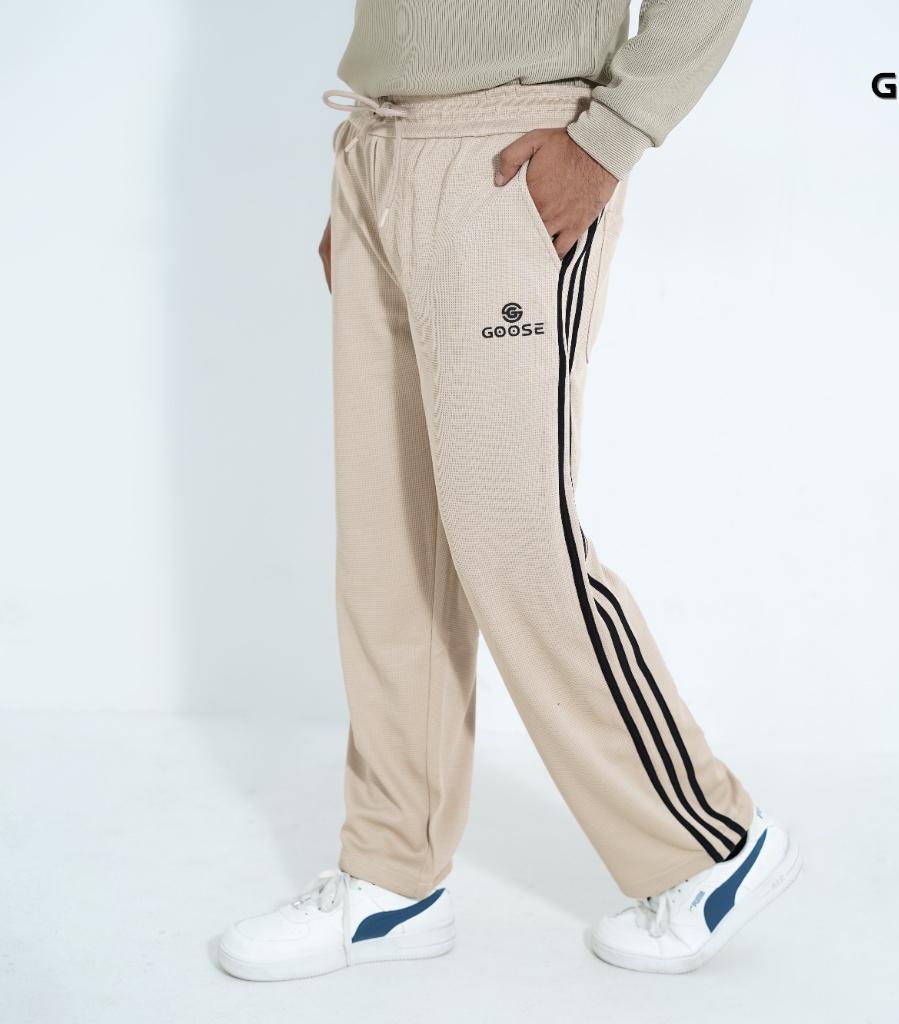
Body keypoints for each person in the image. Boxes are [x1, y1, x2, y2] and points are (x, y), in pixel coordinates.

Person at [218, 0, 802, 982]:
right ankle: (392, 874)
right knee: (389, 547)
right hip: (380, 148)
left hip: (509, 157)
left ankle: (711, 845)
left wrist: (611, 138)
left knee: (513, 534)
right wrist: (377, 188)